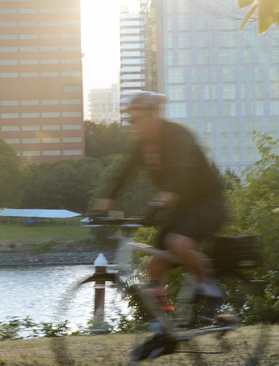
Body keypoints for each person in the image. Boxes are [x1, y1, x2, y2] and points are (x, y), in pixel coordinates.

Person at [94, 91, 226, 321]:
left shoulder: (178, 136)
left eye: (135, 120)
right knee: (153, 264)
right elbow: (123, 174)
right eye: (129, 121)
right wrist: (105, 202)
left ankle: (211, 291)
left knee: (179, 243)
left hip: (207, 202)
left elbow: (179, 176)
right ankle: (164, 326)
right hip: (180, 208)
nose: (131, 125)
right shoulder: (141, 146)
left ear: (153, 115)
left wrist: (157, 204)